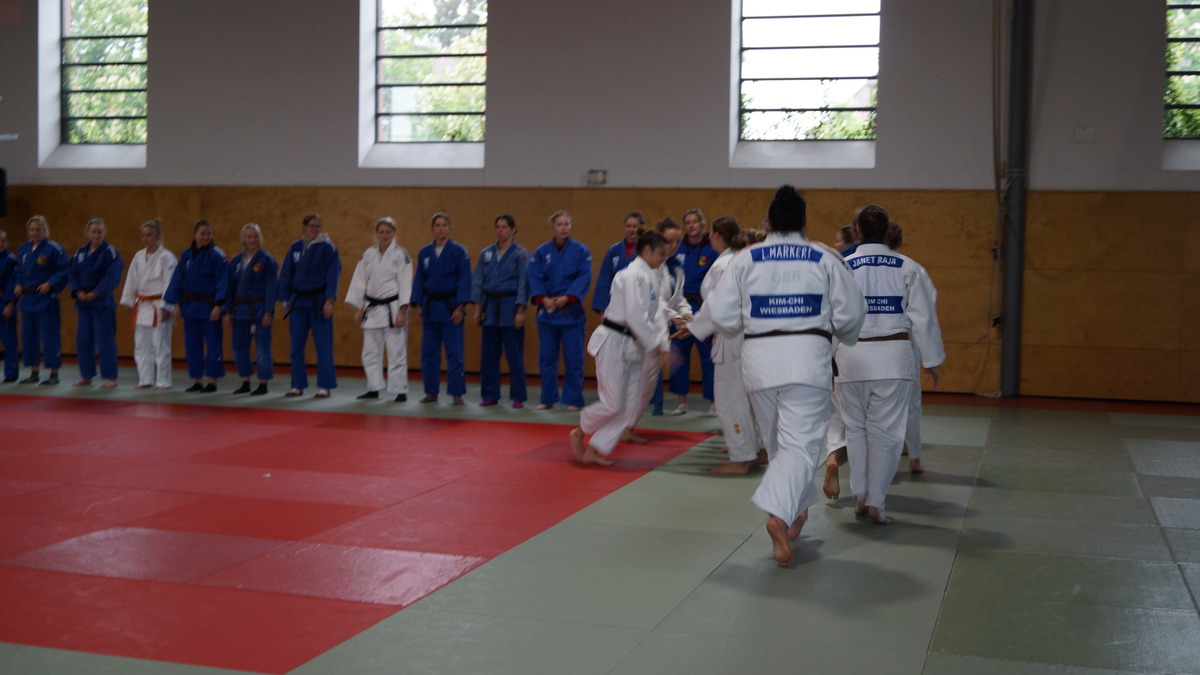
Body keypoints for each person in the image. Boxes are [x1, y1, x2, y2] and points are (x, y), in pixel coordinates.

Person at [709, 185, 866, 566]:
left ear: (770, 221)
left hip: (758, 360)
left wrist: (745, 325)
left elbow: (723, 315)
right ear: (803, 221)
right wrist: (841, 335)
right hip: (806, 360)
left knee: (779, 442)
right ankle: (779, 516)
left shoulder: (745, 258)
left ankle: (797, 512)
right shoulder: (824, 256)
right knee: (800, 445)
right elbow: (851, 313)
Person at [835, 205, 945, 526]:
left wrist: (822, 359)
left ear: (856, 231)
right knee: (886, 433)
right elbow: (924, 317)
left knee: (856, 429)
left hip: (850, 357)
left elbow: (828, 315)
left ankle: (860, 495)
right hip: (893, 358)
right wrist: (932, 360)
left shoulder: (842, 265)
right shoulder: (908, 267)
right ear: (887, 232)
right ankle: (877, 503)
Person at [569, 230, 671, 466]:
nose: (663, 259)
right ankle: (579, 432)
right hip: (613, 341)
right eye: (661, 254)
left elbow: (655, 315)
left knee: (629, 406)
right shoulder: (630, 275)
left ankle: (595, 449)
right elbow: (635, 316)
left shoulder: (652, 277)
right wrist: (656, 346)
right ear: (647, 251)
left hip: (634, 345)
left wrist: (662, 343)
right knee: (613, 403)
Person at [675, 216, 763, 474]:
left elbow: (719, 303)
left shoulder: (726, 263)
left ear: (715, 235)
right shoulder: (742, 260)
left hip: (732, 338)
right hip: (742, 335)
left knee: (731, 399)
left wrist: (694, 327)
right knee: (748, 399)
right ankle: (756, 449)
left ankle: (741, 457)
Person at [527, 210, 592, 411]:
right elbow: (534, 277)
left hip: (570, 312)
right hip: (548, 312)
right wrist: (543, 299)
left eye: (567, 224)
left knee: (574, 359)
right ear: (553, 227)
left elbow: (584, 276)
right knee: (546, 358)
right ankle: (547, 398)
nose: (563, 228)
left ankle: (573, 399)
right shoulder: (542, 252)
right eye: (560, 224)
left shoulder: (581, 251)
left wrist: (567, 298)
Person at [345, 217, 413, 402]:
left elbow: (405, 284)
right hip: (372, 309)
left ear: (394, 233)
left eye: (388, 232)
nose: (385, 235)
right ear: (376, 234)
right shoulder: (368, 254)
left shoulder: (401, 254)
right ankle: (373, 387)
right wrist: (358, 308)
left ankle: (400, 390)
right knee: (369, 352)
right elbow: (359, 281)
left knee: (396, 352)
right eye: (381, 232)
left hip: (393, 308)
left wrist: (402, 311)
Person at [886, 221, 932, 474]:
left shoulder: (858, 266)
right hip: (906, 341)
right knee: (911, 402)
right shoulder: (913, 269)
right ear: (900, 242)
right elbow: (927, 310)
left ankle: (879, 460)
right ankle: (914, 456)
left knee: (877, 406)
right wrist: (931, 358)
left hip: (867, 344)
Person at [279, 213, 341, 398]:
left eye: (318, 226)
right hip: (298, 303)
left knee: (323, 346)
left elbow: (333, 275)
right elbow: (286, 275)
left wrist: (329, 300)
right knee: (296, 347)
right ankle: (297, 385)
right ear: (304, 227)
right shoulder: (295, 247)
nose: (315, 229)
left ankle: (325, 386)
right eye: (312, 225)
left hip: (319, 302)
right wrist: (286, 301)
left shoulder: (328, 247)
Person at [470, 214, 529, 408]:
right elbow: (477, 281)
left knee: (514, 355)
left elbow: (524, 283)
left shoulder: (521, 254)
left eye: (504, 227)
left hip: (510, 307)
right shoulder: (486, 253)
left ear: (513, 230)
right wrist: (477, 308)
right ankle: (490, 394)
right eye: (498, 227)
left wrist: (521, 311)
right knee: (488, 355)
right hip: (490, 309)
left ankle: (518, 396)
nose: (500, 230)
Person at [411, 212, 470, 404]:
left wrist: (460, 307)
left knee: (454, 353)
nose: (441, 228)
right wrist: (417, 305)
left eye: (444, 225)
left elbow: (464, 280)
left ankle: (457, 393)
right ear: (432, 229)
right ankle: (431, 391)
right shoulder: (425, 252)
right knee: (429, 353)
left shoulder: (459, 251)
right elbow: (419, 279)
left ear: (449, 228)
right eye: (437, 225)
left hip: (450, 307)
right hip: (430, 308)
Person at [164, 219, 227, 393]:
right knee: (192, 345)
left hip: (210, 307)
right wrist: (176, 303)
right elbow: (177, 280)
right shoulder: (186, 255)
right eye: (202, 233)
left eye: (209, 234)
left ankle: (212, 380)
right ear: (194, 235)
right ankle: (197, 379)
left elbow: (222, 282)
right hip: (190, 306)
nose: (206, 237)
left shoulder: (217, 255)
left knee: (213, 344)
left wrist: (218, 305)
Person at [667, 208, 716, 415]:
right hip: (680, 305)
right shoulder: (677, 248)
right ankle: (682, 402)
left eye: (695, 221)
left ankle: (713, 402)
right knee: (679, 352)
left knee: (708, 355)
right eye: (687, 222)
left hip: (702, 305)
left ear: (702, 224)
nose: (691, 226)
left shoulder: (711, 247)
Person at [119, 219, 177, 389]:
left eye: (149, 235)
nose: (146, 238)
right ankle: (145, 379)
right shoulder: (138, 256)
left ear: (158, 236)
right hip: (142, 305)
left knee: (161, 345)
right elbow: (131, 280)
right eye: (143, 235)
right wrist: (129, 303)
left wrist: (167, 306)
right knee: (142, 345)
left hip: (159, 305)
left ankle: (163, 381)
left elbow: (170, 283)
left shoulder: (167, 257)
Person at [68, 218, 124, 388]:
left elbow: (112, 276)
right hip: (84, 301)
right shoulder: (80, 252)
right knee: (83, 340)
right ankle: (86, 375)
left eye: (99, 232)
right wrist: (77, 291)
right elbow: (72, 273)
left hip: (102, 301)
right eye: (93, 232)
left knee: (105, 340)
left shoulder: (110, 252)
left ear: (104, 232)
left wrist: (96, 292)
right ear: (88, 233)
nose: (96, 235)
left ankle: (111, 377)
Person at [14, 215, 68, 385]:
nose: (35, 233)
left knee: (50, 336)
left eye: (38, 229)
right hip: (27, 298)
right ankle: (34, 372)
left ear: (45, 230)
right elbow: (19, 271)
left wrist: (50, 283)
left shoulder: (54, 249)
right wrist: (17, 284)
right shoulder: (24, 249)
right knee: (29, 337)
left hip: (46, 299)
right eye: (32, 230)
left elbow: (64, 271)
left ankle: (54, 373)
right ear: (28, 231)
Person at [224, 223, 277, 395]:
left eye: (255, 237)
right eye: (249, 237)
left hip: (260, 309)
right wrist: (228, 311)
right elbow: (230, 288)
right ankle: (245, 380)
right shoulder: (236, 261)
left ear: (259, 239)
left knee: (262, 348)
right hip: (240, 310)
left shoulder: (267, 260)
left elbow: (271, 287)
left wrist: (269, 311)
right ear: (243, 239)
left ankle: (263, 383)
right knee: (239, 346)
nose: (252, 240)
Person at [644, 218, 689, 416]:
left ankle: (655, 405)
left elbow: (677, 298)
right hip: (644, 324)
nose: (674, 246)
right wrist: (675, 315)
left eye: (677, 241)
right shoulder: (647, 268)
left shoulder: (676, 267)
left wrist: (686, 313)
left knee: (655, 367)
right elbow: (655, 300)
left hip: (662, 322)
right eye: (669, 241)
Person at [591, 212, 644, 314]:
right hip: (616, 303)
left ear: (641, 228)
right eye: (628, 226)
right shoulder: (614, 250)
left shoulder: (646, 250)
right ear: (624, 228)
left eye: (635, 226)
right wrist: (602, 308)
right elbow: (605, 279)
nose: (631, 230)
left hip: (639, 303)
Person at [0, 230, 19, 383]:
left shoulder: (10, 259)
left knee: (8, 339)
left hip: (4, 302)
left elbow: (12, 284)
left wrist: (10, 303)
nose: (0, 243)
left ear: (6, 242)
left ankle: (11, 373)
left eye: (2, 241)